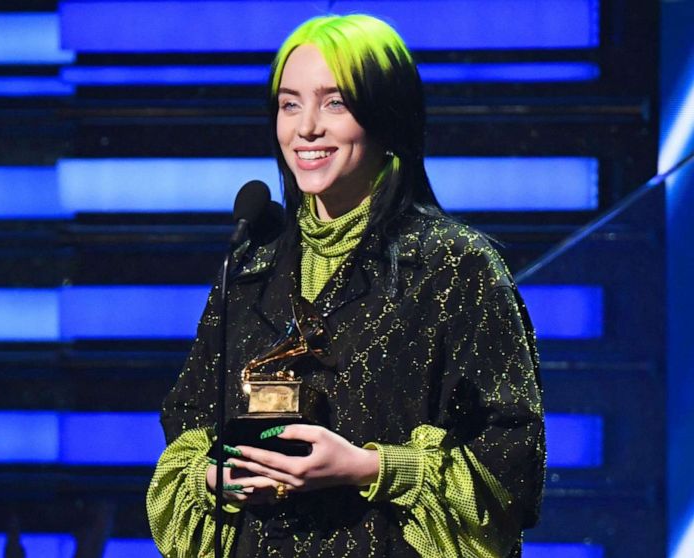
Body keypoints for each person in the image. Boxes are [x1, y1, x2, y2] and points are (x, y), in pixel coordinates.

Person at [146, 13, 545, 558]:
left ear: (387, 116)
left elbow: (510, 464)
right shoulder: (248, 268)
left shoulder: (455, 264)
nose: (306, 127)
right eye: (290, 104)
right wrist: (223, 479)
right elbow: (186, 434)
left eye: (335, 103)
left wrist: (368, 467)